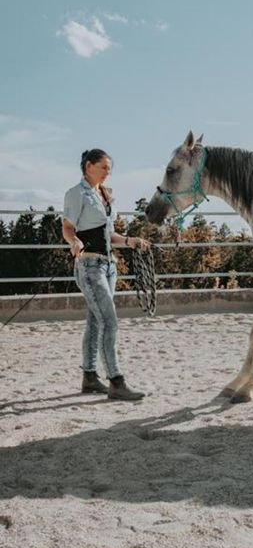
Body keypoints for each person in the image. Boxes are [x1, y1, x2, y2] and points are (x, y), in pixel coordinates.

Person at [62, 148, 149, 401]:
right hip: (89, 267)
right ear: (88, 165)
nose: (107, 172)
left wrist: (130, 240)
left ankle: (89, 377)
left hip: (109, 266)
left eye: (109, 168)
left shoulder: (104, 195)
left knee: (95, 321)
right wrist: (74, 242)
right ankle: (116, 381)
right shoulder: (76, 194)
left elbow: (109, 236)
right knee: (109, 321)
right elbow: (68, 228)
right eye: (103, 167)